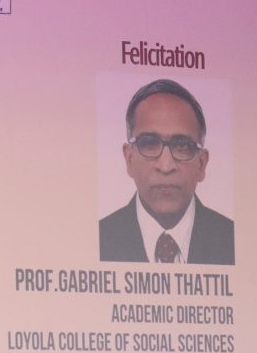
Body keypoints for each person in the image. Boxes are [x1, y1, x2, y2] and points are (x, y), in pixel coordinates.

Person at [100, 78, 234, 265]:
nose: (166, 166)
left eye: (182, 146)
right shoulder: (100, 238)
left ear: (202, 164)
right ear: (129, 158)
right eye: (149, 143)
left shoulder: (231, 240)